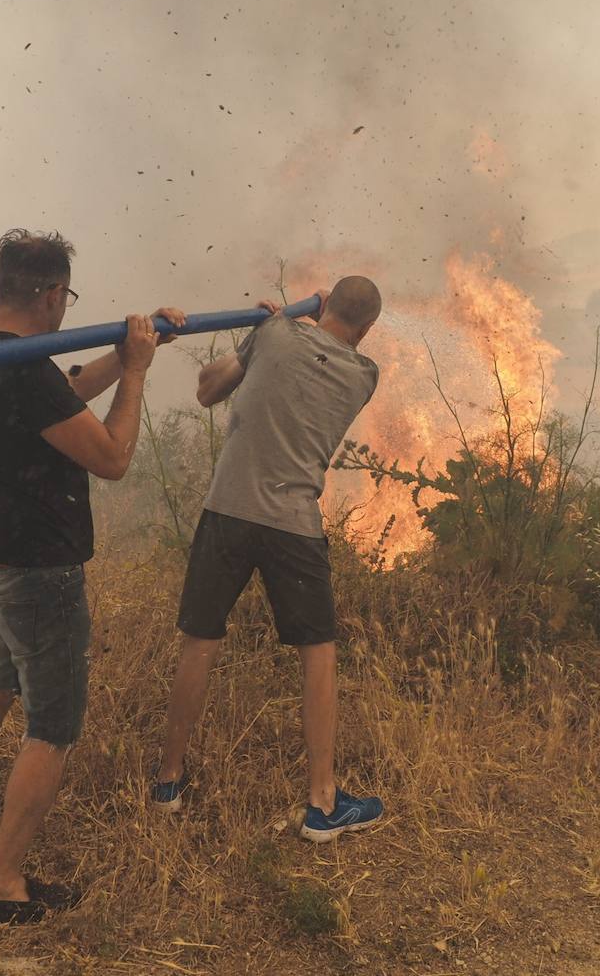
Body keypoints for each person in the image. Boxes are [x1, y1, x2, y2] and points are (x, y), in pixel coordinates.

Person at [0, 228, 184, 926]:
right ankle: (2, 883)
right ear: (50, 295)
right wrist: (136, 375)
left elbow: (64, 392)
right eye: (65, 298)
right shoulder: (23, 370)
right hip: (39, 573)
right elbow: (110, 456)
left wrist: (124, 353)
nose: (65, 309)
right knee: (52, 725)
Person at [152, 276, 386, 842]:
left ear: (323, 302)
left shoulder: (274, 334)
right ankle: (322, 805)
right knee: (318, 654)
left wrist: (262, 331)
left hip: (227, 510)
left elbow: (208, 391)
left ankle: (167, 782)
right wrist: (274, 331)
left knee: (199, 640)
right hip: (293, 524)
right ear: (368, 329)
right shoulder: (364, 375)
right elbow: (318, 364)